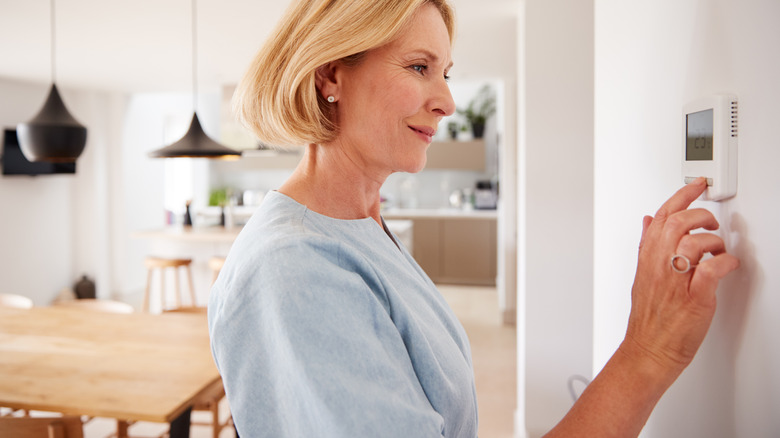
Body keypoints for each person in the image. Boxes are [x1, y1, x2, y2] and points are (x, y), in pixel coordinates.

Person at [207, 0, 740, 436]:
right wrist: (647, 353)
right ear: (331, 75)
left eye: (445, 73)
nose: (447, 101)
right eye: (420, 67)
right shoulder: (297, 268)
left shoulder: (359, 225)